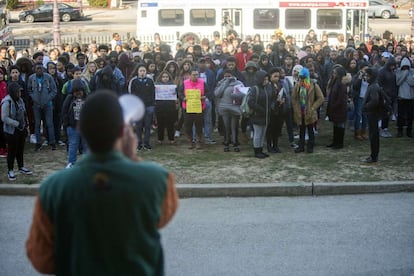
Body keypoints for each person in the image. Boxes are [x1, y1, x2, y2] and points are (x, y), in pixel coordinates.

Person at [26, 91, 179, 275]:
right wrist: (131, 159)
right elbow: (158, 219)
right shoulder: (159, 179)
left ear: (81, 130)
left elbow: (41, 260)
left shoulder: (52, 189)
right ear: (123, 131)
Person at [1, 82, 32, 181]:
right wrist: (16, 123)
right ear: (13, 92)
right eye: (18, 91)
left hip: (21, 129)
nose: (19, 93)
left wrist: (25, 125)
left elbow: (23, 113)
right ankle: (10, 170)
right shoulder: (7, 102)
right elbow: (4, 118)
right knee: (12, 150)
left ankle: (21, 167)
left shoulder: (20, 100)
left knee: (20, 149)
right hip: (11, 131)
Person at [292, 68, 324, 153]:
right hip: (300, 111)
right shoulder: (297, 85)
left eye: (303, 77)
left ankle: (310, 146)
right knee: (301, 130)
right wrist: (296, 108)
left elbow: (321, 98)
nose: (302, 79)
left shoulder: (313, 85)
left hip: (310, 111)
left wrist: (313, 107)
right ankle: (301, 146)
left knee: (310, 129)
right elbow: (294, 98)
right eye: (300, 77)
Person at [27, 63, 57, 151]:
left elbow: (54, 90)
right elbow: (29, 90)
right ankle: (38, 143)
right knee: (37, 124)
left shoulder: (48, 77)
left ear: (43, 69)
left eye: (40, 68)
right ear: (35, 69)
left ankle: (52, 142)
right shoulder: (31, 78)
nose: (39, 70)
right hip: (36, 104)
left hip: (48, 104)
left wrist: (48, 98)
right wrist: (33, 97)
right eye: (37, 68)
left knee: (49, 123)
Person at [214, 69, 244, 152]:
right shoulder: (220, 83)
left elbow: (243, 94)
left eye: (229, 76)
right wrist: (225, 83)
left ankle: (235, 143)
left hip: (235, 107)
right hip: (224, 107)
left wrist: (236, 95)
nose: (227, 77)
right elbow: (217, 94)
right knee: (226, 126)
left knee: (234, 126)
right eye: (225, 76)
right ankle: (226, 142)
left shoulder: (239, 83)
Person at [128, 63, 156, 150]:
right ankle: (138, 143)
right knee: (138, 126)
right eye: (140, 71)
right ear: (138, 72)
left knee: (147, 126)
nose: (142, 72)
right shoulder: (134, 81)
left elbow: (153, 93)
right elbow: (132, 94)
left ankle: (147, 143)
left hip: (148, 106)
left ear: (146, 71)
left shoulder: (150, 81)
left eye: (144, 70)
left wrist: (152, 104)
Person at [61, 79, 88, 169]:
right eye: (76, 91)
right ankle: (71, 163)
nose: (78, 93)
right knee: (73, 145)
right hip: (72, 126)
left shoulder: (88, 98)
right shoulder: (69, 99)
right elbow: (64, 112)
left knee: (86, 146)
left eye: (80, 90)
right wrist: (67, 124)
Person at [248, 70, 272, 158]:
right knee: (257, 133)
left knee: (263, 133)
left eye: (267, 79)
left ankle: (260, 149)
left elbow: (271, 98)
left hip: (266, 115)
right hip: (257, 115)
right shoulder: (255, 89)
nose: (266, 81)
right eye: (264, 79)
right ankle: (256, 151)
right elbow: (251, 102)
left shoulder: (268, 88)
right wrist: (261, 109)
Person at [326, 66, 351, 149]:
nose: (333, 74)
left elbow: (341, 98)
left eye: (335, 73)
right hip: (335, 107)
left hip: (340, 108)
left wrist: (334, 105)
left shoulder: (342, 84)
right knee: (336, 125)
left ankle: (339, 143)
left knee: (340, 125)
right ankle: (335, 141)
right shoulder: (335, 82)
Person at [361, 68, 382, 163]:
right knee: (373, 134)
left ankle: (374, 156)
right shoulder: (373, 85)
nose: (366, 77)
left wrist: (366, 106)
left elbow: (374, 100)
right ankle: (373, 155)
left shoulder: (373, 87)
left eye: (367, 76)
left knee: (373, 135)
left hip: (372, 113)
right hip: (372, 113)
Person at [395, 57, 414, 137]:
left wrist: (406, 74)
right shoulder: (398, 71)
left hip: (410, 97)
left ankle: (409, 132)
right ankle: (400, 131)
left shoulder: (412, 71)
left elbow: (412, 83)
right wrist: (405, 74)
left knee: (410, 116)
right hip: (401, 97)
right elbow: (398, 82)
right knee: (400, 115)